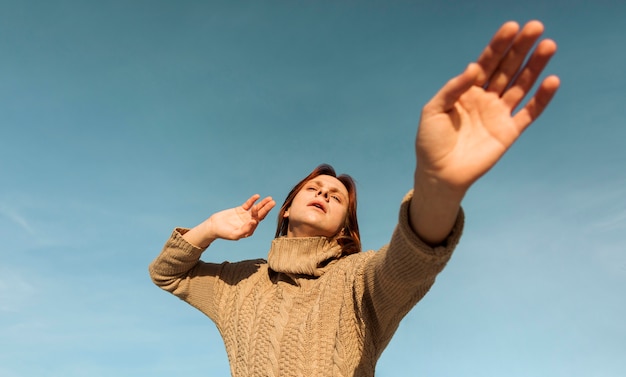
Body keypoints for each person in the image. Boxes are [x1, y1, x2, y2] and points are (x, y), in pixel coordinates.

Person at [149, 20, 560, 377]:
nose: (324, 195)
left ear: (345, 225)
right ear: (287, 206)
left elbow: (411, 260)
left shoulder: (358, 280)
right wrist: (209, 229)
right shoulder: (239, 283)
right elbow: (167, 274)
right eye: (314, 188)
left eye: (336, 197)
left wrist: (439, 187)